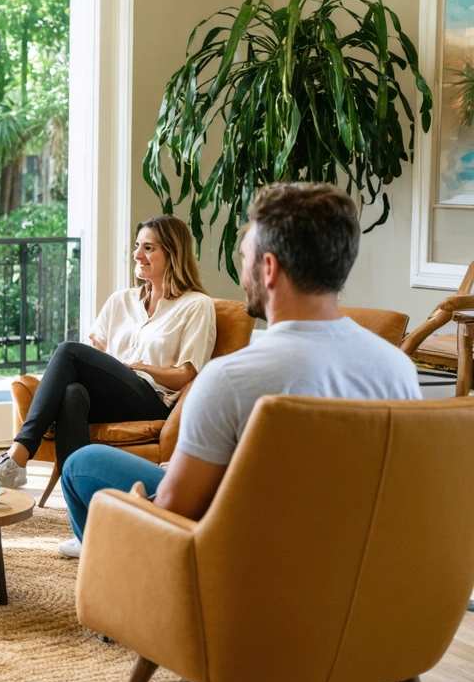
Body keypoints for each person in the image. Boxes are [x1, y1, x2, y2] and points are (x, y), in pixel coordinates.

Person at [56, 183, 423, 558]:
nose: (241, 270)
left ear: (268, 268)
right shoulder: (397, 370)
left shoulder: (230, 379)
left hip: (242, 569)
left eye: (244, 256)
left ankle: (111, 572)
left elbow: (172, 514)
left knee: (83, 462)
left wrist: (138, 501)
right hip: (350, 562)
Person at [0, 216, 217, 494]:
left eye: (148, 248)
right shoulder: (122, 300)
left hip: (152, 399)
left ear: (173, 253)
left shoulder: (196, 306)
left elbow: (186, 375)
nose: (137, 255)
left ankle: (16, 456)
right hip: (111, 396)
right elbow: (95, 353)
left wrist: (144, 367)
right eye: (137, 246)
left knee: (69, 350)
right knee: (73, 393)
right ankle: (83, 504)